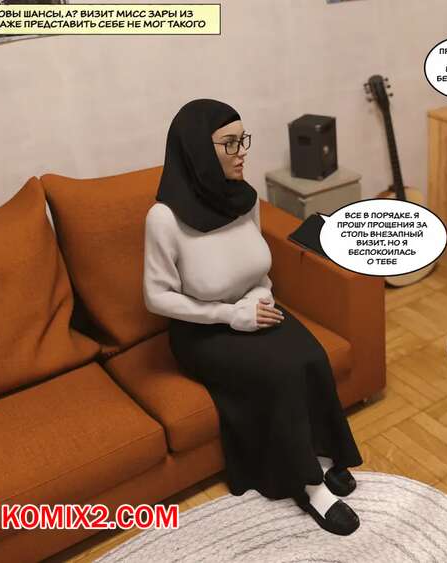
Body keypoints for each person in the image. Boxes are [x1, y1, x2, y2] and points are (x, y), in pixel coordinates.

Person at [142, 99, 363, 536]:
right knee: (279, 374)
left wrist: (261, 295)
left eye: (243, 140)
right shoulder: (164, 219)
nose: (242, 151)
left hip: (254, 306)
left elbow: (258, 268)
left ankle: (323, 455)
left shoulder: (244, 198)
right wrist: (229, 315)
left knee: (312, 356)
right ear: (197, 150)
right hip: (201, 331)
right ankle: (310, 486)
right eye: (229, 143)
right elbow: (156, 297)